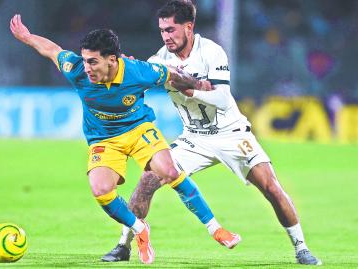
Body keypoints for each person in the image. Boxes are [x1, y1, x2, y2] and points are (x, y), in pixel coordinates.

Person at [102, 0, 322, 266]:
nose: (166, 36)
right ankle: (123, 245)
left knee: (271, 186)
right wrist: (127, 72)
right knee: (147, 180)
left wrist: (189, 89)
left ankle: (301, 248)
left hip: (232, 134)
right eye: (162, 30)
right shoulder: (159, 60)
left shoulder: (211, 52)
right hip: (193, 138)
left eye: (171, 29)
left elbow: (222, 97)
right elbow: (136, 85)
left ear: (189, 27)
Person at [10, 13, 240, 264]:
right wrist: (27, 37)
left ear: (112, 60)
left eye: (93, 62)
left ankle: (215, 228)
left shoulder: (138, 72)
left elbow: (172, 74)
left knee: (169, 171)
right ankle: (140, 229)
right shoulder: (76, 69)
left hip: (138, 129)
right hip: (104, 139)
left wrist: (200, 85)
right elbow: (52, 50)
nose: (87, 68)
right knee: (101, 190)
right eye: (85, 60)